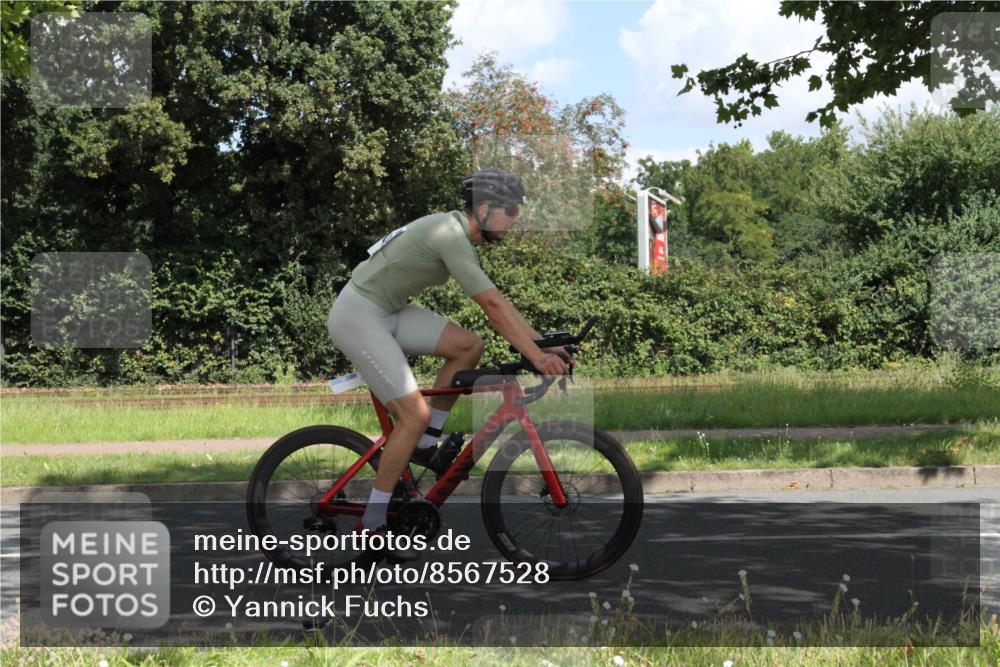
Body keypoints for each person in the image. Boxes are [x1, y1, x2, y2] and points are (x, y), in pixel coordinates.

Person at [326, 169, 572, 552]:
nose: (516, 217)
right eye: (510, 209)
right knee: (413, 413)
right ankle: (371, 524)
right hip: (358, 315)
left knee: (468, 347)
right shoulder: (450, 234)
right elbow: (491, 303)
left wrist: (546, 344)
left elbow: (499, 303)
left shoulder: (456, 233)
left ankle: (424, 445)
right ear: (485, 209)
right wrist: (536, 356)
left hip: (388, 310)